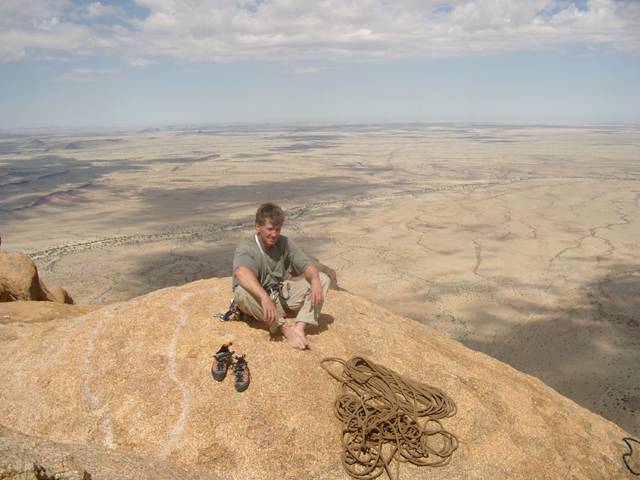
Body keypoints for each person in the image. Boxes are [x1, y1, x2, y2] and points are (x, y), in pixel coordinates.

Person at [232, 203, 330, 350]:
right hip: (258, 301)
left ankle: (300, 327)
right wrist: (264, 298)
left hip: (278, 296)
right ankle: (285, 330)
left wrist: (315, 280)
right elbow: (241, 273)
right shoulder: (247, 246)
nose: (274, 234)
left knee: (323, 279)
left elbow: (307, 266)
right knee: (241, 292)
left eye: (278, 229)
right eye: (270, 229)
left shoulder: (283, 243)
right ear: (258, 227)